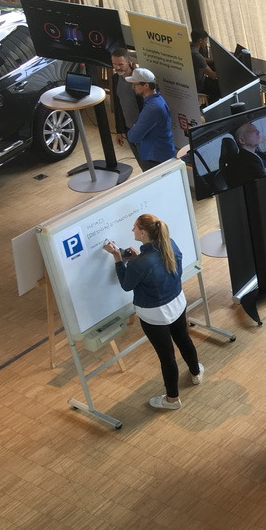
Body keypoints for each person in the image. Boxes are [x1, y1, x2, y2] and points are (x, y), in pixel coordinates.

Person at [102, 214, 203, 410]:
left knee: (167, 357)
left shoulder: (139, 264)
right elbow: (164, 270)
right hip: (177, 303)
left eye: (134, 227)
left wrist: (117, 258)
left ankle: (172, 400)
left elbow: (126, 285)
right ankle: (195, 373)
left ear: (143, 232)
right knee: (184, 339)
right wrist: (137, 259)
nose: (132, 230)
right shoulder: (170, 244)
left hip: (155, 315)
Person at [125, 68, 176, 171]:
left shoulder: (153, 108)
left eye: (135, 84)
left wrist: (133, 129)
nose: (133, 87)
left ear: (146, 86)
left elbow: (133, 137)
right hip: (159, 154)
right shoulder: (156, 100)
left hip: (154, 158)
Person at [110, 47, 142, 161]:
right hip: (129, 129)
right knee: (139, 160)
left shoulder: (138, 80)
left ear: (128, 62)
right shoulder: (115, 78)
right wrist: (119, 131)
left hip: (142, 127)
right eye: (114, 64)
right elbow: (117, 105)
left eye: (120, 64)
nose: (117, 68)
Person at [190, 28, 219, 102]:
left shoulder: (190, 49)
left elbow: (203, 59)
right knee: (218, 87)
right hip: (200, 85)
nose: (206, 42)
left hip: (192, 83)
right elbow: (213, 75)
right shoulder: (196, 55)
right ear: (200, 41)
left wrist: (214, 60)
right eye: (205, 40)